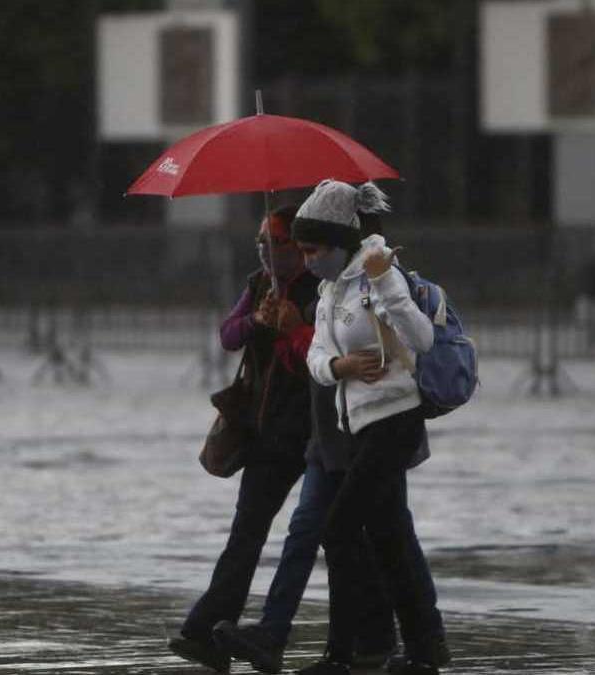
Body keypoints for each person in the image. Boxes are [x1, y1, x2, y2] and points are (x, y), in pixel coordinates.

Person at [210, 210, 418, 674]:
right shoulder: (309, 290)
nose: (275, 252)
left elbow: (405, 343)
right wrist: (274, 329)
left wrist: (303, 338)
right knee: (317, 529)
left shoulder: (365, 283)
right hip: (327, 431)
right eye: (263, 241)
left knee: (385, 534)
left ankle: (413, 641)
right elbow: (318, 358)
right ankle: (303, 640)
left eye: (302, 248)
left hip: (372, 428)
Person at [292, 179, 449, 675]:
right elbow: (315, 355)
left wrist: (385, 284)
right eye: (301, 250)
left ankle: (344, 653)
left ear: (339, 243)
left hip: (394, 419)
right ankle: (423, 650)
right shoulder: (329, 290)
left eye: (313, 249)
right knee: (387, 538)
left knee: (337, 528)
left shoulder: (380, 274)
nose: (306, 260)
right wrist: (339, 368)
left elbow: (422, 339)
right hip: (357, 426)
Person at [168, 205, 320, 673]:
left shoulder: (323, 286)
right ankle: (207, 627)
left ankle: (360, 638)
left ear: (297, 246)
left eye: (273, 242)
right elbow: (229, 334)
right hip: (265, 431)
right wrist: (258, 320)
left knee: (327, 535)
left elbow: (323, 353)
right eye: (260, 243)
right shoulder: (258, 285)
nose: (265, 252)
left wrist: (292, 327)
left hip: (315, 431)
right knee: (245, 534)